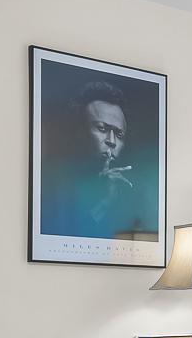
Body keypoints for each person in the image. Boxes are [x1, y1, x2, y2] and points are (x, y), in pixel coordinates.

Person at [41, 80, 153, 240]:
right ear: (79, 132)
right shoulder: (52, 188)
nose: (111, 141)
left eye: (119, 134)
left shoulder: (134, 196)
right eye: (102, 128)